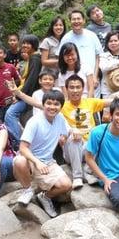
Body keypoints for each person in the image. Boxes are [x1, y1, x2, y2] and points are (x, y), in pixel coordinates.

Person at [8, 74, 119, 189]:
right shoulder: (60, 105)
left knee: (102, 136)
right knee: (74, 138)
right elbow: (37, 103)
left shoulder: (90, 102)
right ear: (66, 89)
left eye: (78, 87)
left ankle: (89, 170)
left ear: (83, 89)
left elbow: (116, 103)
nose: (75, 90)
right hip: (72, 148)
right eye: (72, 87)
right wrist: (17, 92)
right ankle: (78, 176)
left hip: (90, 148)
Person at [13, 90, 72, 218]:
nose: (52, 107)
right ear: (43, 105)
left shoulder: (60, 119)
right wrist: (37, 162)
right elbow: (23, 148)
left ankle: (44, 197)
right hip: (30, 160)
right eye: (49, 103)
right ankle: (27, 189)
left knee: (66, 185)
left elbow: (66, 132)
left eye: (56, 104)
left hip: (48, 161)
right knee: (19, 160)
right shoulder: (34, 121)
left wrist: (64, 138)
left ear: (61, 107)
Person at [4, 35, 42, 147]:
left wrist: (19, 96)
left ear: (34, 45)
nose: (25, 45)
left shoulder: (35, 59)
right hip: (25, 94)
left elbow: (31, 80)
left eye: (28, 43)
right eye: (24, 43)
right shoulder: (33, 57)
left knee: (10, 114)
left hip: (28, 96)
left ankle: (19, 143)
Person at [59, 10, 102, 93]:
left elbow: (98, 57)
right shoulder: (66, 38)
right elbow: (61, 58)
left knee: (91, 102)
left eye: (78, 19)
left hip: (91, 78)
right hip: (72, 82)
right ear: (70, 21)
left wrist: (95, 76)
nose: (76, 21)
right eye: (73, 19)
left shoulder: (92, 35)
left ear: (84, 20)